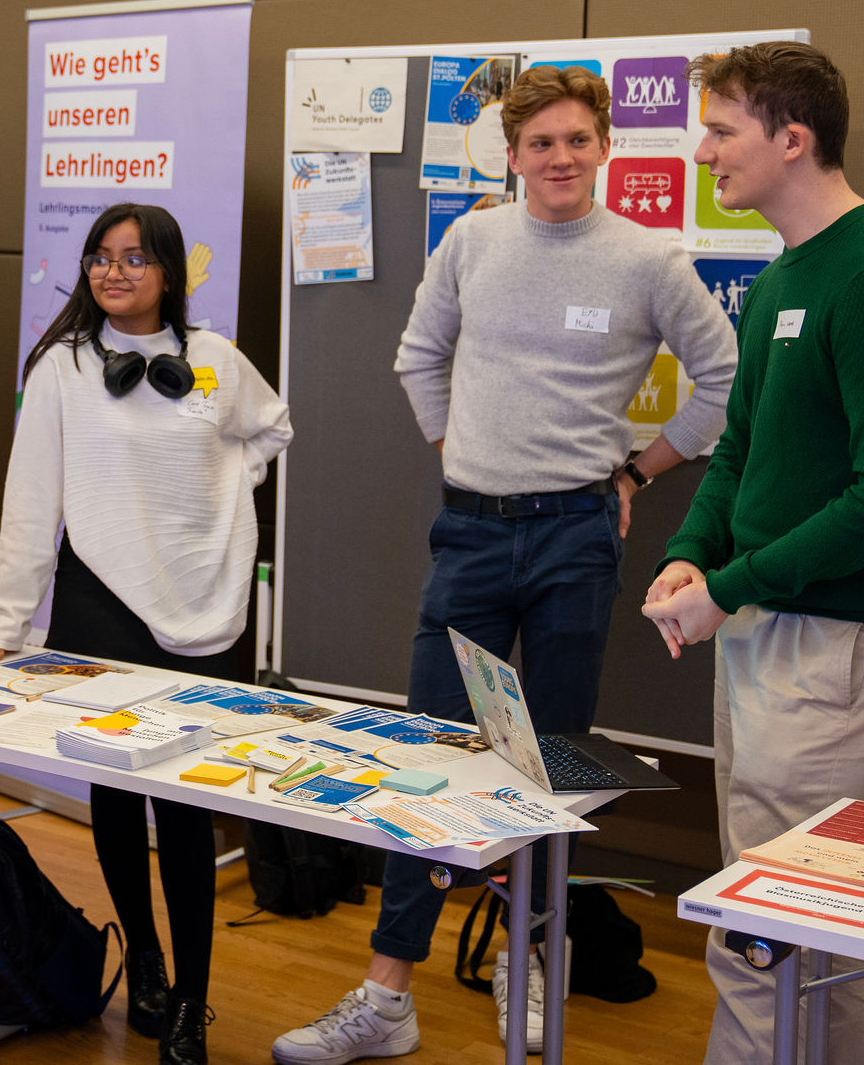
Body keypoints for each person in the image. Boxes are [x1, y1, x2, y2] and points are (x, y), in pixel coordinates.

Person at [273, 65, 739, 1062]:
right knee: (431, 755)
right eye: (540, 144)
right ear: (513, 154)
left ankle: (526, 969)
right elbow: (416, 355)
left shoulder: (648, 259)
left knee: (550, 765)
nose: (559, 158)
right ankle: (386, 993)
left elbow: (722, 382)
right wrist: (462, 451)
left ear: (603, 146)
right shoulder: (471, 239)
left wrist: (637, 471)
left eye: (576, 140)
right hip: (470, 532)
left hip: (575, 536)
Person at [642, 42, 864, 1064]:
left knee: (761, 933)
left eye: (721, 129)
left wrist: (729, 585)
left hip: (844, 640)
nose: (701, 152)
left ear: (793, 138)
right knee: (806, 924)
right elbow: (741, 445)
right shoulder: (791, 268)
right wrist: (694, 553)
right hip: (770, 624)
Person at [0, 202, 292, 1065]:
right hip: (97, 603)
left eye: (134, 257)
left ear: (168, 271)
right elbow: (29, 502)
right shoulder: (62, 370)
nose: (113, 272)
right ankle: (144, 959)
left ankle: (193, 1000)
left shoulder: (217, 361)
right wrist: (6, 628)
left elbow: (273, 426)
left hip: (206, 603)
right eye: (99, 258)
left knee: (188, 805)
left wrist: (233, 480)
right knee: (114, 794)